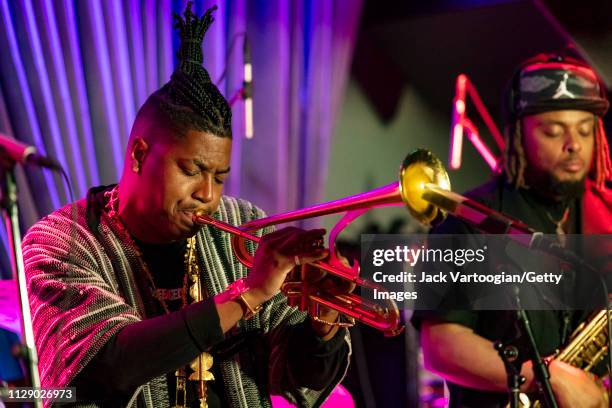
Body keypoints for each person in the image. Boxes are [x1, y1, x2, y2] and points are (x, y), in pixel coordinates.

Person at [21, 4, 350, 408]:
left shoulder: (247, 224)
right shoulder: (59, 241)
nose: (208, 195)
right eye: (192, 170)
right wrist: (246, 294)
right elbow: (107, 366)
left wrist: (323, 325)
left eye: (220, 176)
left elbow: (294, 377)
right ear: (140, 155)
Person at [414, 53, 612, 408]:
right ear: (519, 135)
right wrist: (545, 380)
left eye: (585, 129)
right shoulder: (467, 221)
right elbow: (441, 348)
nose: (574, 144)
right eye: (553, 130)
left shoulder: (607, 212)